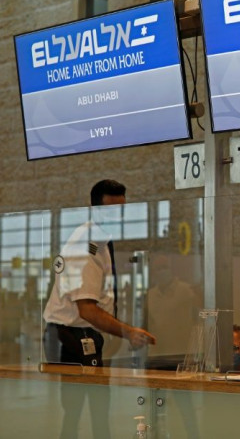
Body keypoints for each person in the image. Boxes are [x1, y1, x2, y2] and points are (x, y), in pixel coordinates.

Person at [43, 179, 156, 439]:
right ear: (95, 210)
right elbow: (87, 310)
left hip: (85, 335)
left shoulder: (102, 241)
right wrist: (128, 332)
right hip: (70, 335)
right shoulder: (86, 245)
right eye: (111, 211)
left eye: (122, 210)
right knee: (79, 409)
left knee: (97, 405)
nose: (118, 217)